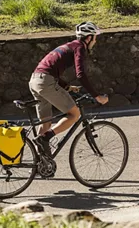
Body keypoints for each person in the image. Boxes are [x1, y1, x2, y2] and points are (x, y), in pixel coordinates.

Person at [29, 21, 108, 155]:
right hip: (46, 82)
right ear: (88, 38)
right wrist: (97, 96)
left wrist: (67, 87)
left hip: (34, 80)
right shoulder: (80, 47)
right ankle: (45, 138)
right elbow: (80, 74)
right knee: (74, 114)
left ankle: (42, 164)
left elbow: (49, 69)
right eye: (95, 37)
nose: (95, 41)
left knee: (45, 123)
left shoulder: (69, 45)